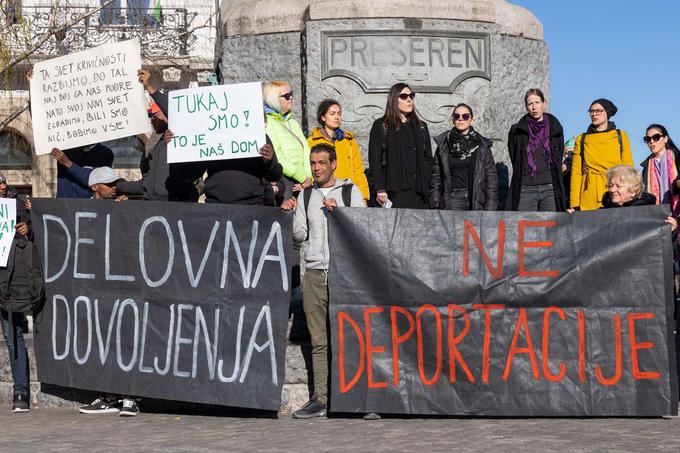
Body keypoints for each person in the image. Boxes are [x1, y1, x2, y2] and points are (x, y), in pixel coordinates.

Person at [281, 143, 364, 419]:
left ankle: (354, 397)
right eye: (313, 163)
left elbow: (363, 230)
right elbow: (299, 236)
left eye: (321, 163)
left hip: (344, 274)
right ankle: (321, 399)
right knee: (318, 340)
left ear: (334, 164)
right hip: (315, 274)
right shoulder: (306, 195)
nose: (316, 168)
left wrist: (338, 212)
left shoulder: (350, 192)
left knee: (348, 338)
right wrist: (291, 212)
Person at [116, 69, 198, 202]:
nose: (153, 119)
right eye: (151, 116)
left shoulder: (182, 136)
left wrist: (150, 87)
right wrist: (121, 188)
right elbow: (147, 182)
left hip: (176, 203)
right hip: (153, 204)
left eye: (156, 115)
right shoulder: (154, 143)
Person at [368, 83, 433, 209]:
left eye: (411, 96)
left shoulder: (421, 126)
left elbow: (428, 158)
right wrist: (380, 189)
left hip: (419, 190)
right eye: (404, 96)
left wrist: (428, 184)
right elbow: (375, 160)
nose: (409, 99)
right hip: (394, 190)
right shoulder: (382, 125)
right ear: (394, 100)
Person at [0, 173, 32, 413]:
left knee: (14, 336)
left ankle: (20, 392)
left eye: (2, 181)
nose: (2, 185)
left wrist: (27, 229)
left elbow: (35, 234)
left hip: (9, 281)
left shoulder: (18, 205)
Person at [506, 89, 566, 211]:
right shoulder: (517, 130)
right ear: (526, 107)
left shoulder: (556, 128)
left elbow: (558, 154)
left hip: (549, 188)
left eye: (537, 102)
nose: (534, 107)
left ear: (544, 104)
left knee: (550, 229)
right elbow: (515, 157)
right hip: (525, 188)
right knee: (526, 228)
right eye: (530, 104)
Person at [429, 103, 497, 210]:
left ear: (471, 119)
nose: (461, 119)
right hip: (451, 199)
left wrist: (490, 207)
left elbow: (491, 179)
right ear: (453, 120)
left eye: (465, 116)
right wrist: (436, 202)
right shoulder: (444, 144)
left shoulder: (482, 146)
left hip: (474, 199)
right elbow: (436, 178)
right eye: (457, 116)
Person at [569, 98, 633, 211]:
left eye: (598, 111)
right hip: (589, 193)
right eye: (591, 111)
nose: (594, 114)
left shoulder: (620, 136)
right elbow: (576, 172)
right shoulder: (581, 139)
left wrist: (629, 198)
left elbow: (628, 169)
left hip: (615, 191)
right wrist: (574, 203)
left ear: (607, 113)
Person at [308, 99, 370, 203]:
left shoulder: (348, 141)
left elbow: (358, 170)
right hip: (324, 194)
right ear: (323, 117)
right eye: (332, 114)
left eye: (339, 114)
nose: (337, 117)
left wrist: (363, 196)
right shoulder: (313, 141)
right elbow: (310, 170)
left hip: (348, 193)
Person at [263, 81, 312, 197]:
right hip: (286, 181)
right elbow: (278, 156)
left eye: (291, 94)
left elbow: (306, 150)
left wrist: (308, 177)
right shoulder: (267, 123)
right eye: (286, 96)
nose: (291, 98)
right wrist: (302, 177)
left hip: (304, 180)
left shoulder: (292, 122)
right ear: (274, 99)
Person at [640, 124, 680, 213]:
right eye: (648, 139)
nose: (651, 141)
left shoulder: (678, 158)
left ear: (665, 139)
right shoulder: (646, 167)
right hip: (656, 217)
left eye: (656, 137)